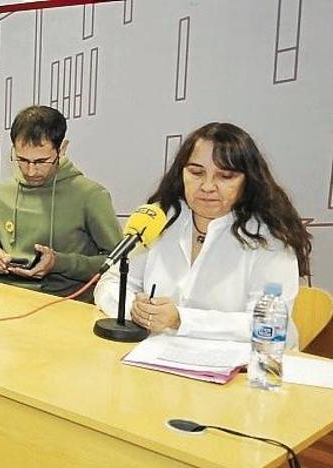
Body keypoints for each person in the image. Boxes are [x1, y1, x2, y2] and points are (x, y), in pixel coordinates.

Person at [94, 122, 312, 346]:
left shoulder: (270, 236)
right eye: (196, 172)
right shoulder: (162, 218)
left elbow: (268, 324)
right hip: (160, 355)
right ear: (182, 173)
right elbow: (111, 283)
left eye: (225, 176)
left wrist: (181, 320)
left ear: (248, 180)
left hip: (248, 368)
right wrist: (135, 310)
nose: (207, 186)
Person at [0, 105, 121, 301]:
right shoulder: (4, 192)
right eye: (22, 160)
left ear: (62, 149)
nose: (30, 171)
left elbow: (117, 262)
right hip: (4, 296)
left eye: (41, 161)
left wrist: (59, 263)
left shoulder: (91, 195)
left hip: (62, 301)